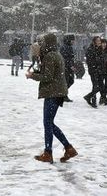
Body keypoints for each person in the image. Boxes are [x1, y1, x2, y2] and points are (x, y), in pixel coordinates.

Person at [26, 33, 77, 164]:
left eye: (41, 42)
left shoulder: (50, 56)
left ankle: (48, 152)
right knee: (49, 123)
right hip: (57, 92)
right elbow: (48, 73)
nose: (39, 44)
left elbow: (47, 77)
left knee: (48, 123)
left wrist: (32, 76)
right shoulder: (55, 54)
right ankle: (68, 148)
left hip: (52, 93)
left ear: (47, 43)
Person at [83, 36, 103, 108]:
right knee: (96, 86)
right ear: (94, 41)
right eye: (98, 41)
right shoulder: (90, 49)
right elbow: (89, 60)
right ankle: (93, 100)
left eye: (100, 41)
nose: (99, 42)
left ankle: (89, 97)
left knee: (100, 86)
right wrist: (96, 64)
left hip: (99, 70)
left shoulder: (100, 49)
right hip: (93, 70)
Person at [59, 35, 75, 102]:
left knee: (69, 81)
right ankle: (62, 95)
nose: (74, 41)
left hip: (67, 67)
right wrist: (70, 65)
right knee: (68, 81)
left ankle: (63, 94)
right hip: (65, 67)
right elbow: (66, 58)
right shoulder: (65, 47)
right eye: (72, 40)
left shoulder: (68, 47)